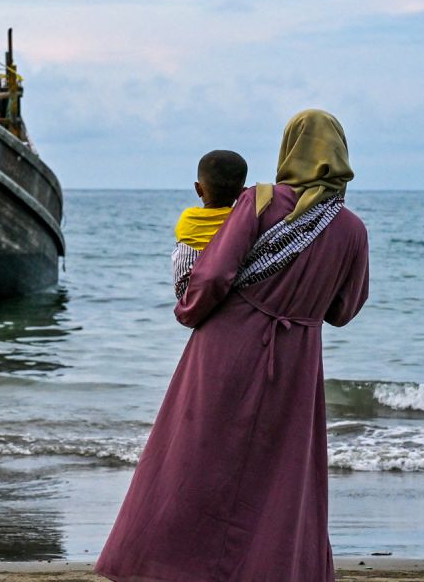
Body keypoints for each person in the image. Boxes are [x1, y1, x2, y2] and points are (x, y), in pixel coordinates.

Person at [96, 109, 369, 582]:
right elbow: (344, 310)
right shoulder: (351, 229)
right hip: (296, 360)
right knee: (281, 472)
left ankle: (165, 566)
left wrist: (189, 311)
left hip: (226, 347)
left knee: (194, 458)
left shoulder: (260, 202)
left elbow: (215, 273)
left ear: (290, 149)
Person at [172, 150, 248, 300]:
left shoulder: (188, 217)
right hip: (230, 292)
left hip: (189, 293)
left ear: (198, 188)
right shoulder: (242, 219)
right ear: (241, 192)